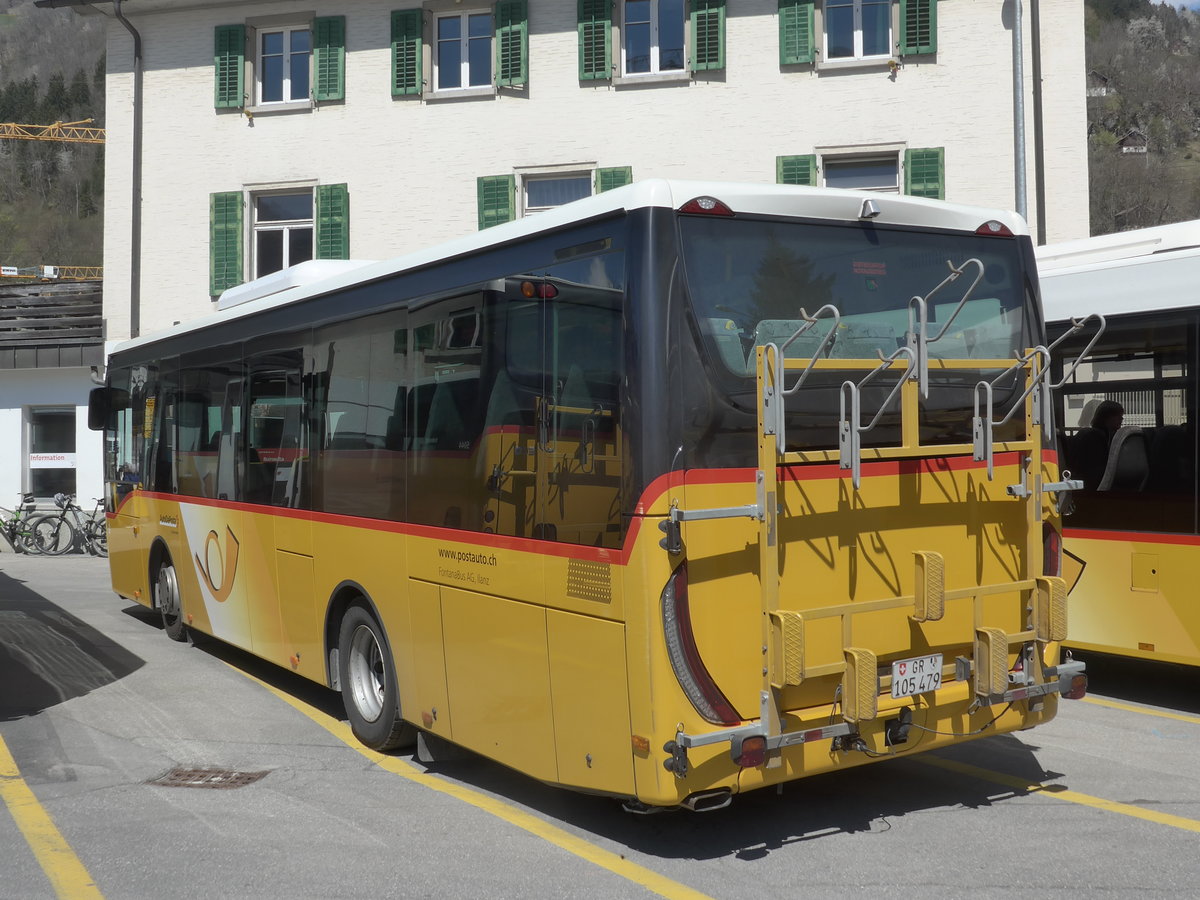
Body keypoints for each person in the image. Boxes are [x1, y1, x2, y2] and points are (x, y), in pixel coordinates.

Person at [1067, 400, 1124, 490]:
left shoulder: (1107, 435)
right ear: (1106, 417)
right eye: (1118, 415)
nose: (1121, 419)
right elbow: (1096, 471)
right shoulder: (1094, 436)